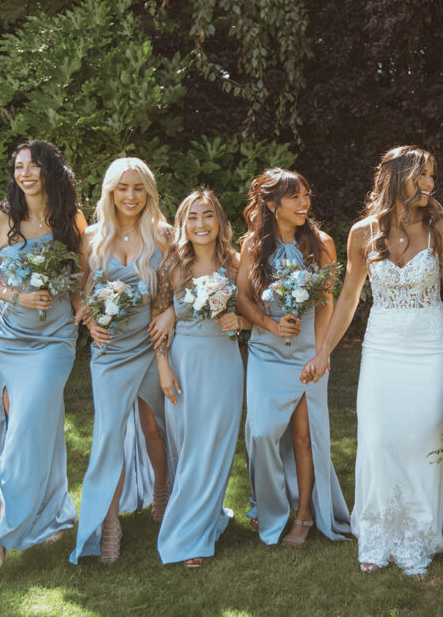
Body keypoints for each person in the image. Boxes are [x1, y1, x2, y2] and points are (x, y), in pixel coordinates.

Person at [302, 145, 443, 577]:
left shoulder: (442, 229)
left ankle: (418, 535)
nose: (430, 184)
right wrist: (324, 351)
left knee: (423, 436)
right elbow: (348, 297)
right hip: (382, 347)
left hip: (429, 346)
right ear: (397, 176)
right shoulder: (363, 233)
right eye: (422, 175)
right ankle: (377, 532)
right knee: (380, 438)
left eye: (432, 176)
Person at [0, 140, 88, 570]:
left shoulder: (71, 218)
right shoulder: (1, 216)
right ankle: (52, 510)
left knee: (28, 423)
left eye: (34, 165)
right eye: (19, 166)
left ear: (51, 171)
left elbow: (79, 275)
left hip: (55, 340)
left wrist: (84, 311)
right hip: (10, 339)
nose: (25, 173)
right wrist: (15, 295)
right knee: (27, 426)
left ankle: (0, 532)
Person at [236, 168, 351, 547]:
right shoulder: (253, 245)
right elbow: (242, 300)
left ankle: (303, 516)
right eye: (294, 197)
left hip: (306, 352)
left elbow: (326, 302)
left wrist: (322, 352)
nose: (304, 203)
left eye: (306, 195)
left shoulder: (321, 244)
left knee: (304, 437)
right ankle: (268, 506)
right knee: (261, 433)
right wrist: (269, 324)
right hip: (266, 352)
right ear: (272, 204)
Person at [69, 158, 172, 564]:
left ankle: (162, 494)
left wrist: (171, 313)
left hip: (152, 346)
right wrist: (89, 318)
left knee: (156, 427)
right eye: (122, 189)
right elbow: (78, 287)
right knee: (108, 437)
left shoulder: (164, 235)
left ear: (149, 192)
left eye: (138, 188)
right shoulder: (92, 237)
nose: (130, 196)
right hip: (110, 351)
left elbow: (182, 284)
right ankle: (108, 522)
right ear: (110, 193)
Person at [152, 189, 249, 567]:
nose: (201, 224)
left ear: (220, 222)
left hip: (223, 364)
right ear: (183, 224)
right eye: (192, 217)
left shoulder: (236, 264)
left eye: (208, 215)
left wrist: (239, 321)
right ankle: (199, 521)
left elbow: (253, 313)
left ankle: (193, 534)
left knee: (214, 447)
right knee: (189, 447)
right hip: (182, 363)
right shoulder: (172, 265)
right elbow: (159, 321)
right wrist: (163, 367)